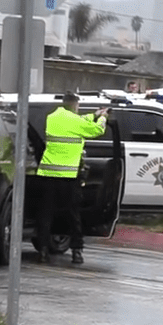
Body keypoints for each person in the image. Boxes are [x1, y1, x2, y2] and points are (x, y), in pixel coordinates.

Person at [35, 91, 108, 265]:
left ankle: (43, 251)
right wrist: (103, 118)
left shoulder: (52, 117)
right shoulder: (75, 121)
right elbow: (96, 130)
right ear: (75, 105)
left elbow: (78, 122)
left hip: (47, 175)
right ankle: (77, 251)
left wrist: (93, 115)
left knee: (45, 215)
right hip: (69, 177)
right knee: (73, 215)